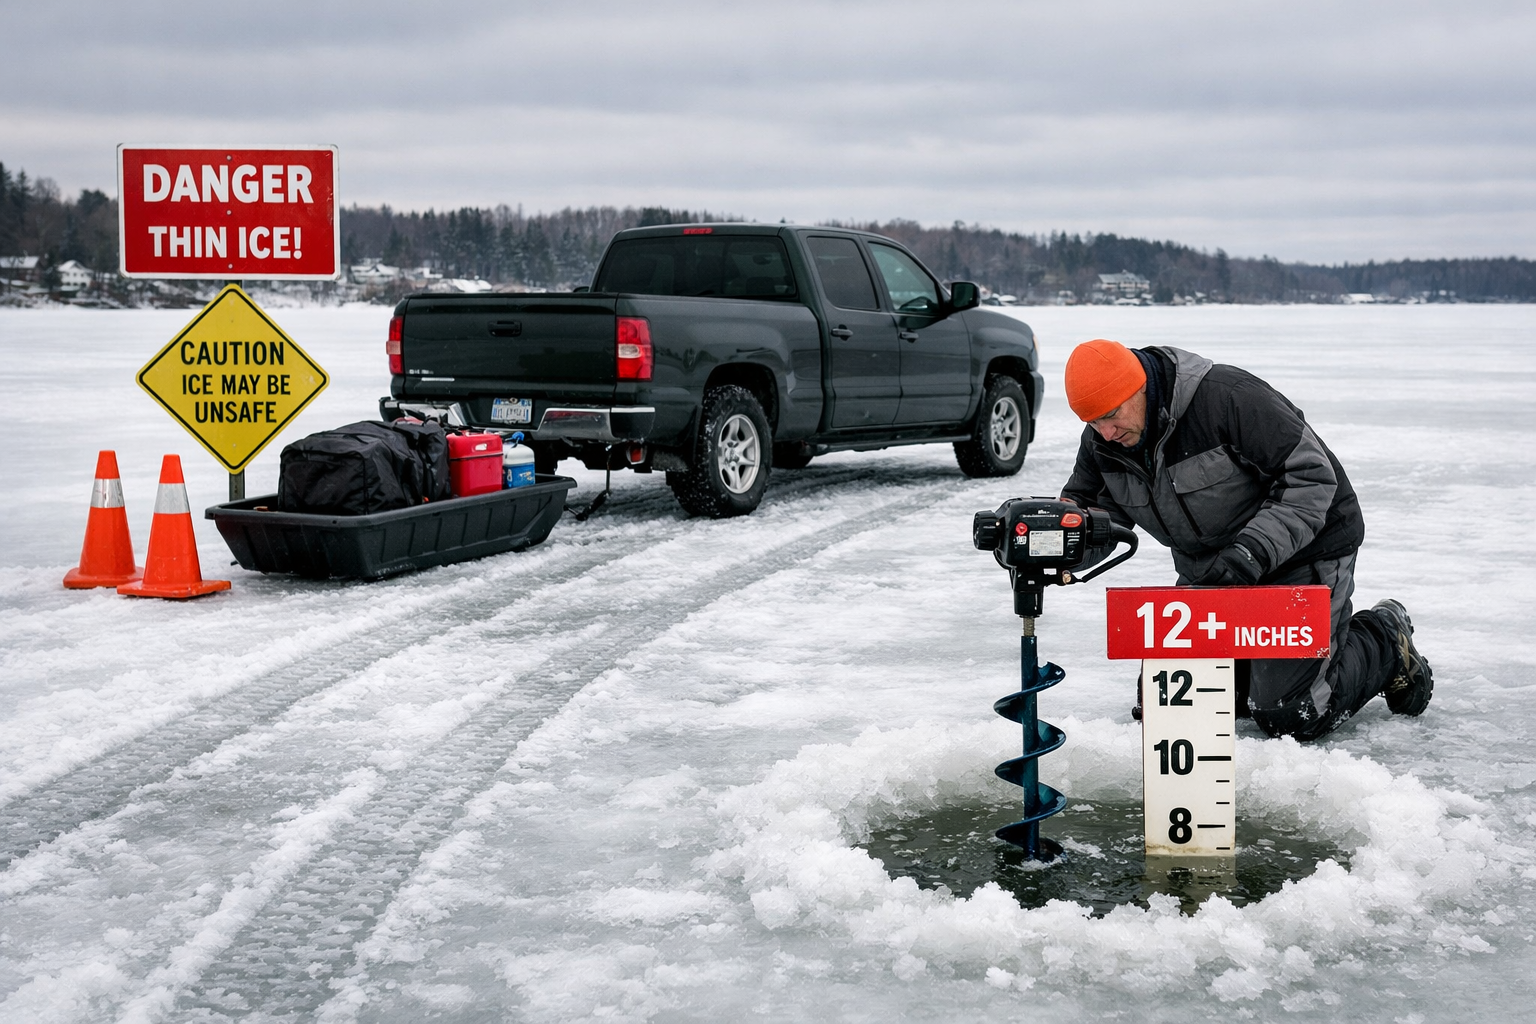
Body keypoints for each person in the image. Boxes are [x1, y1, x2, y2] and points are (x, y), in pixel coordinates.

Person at [1058, 338, 1432, 740]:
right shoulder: (1104, 440)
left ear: (1141, 387)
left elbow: (1311, 478)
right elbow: (1092, 518)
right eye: (1093, 421)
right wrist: (1054, 549)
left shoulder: (1228, 398)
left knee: (1293, 713)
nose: (1106, 432)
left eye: (1112, 415)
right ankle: (1257, 669)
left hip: (1304, 553)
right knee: (1174, 707)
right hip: (1215, 573)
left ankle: (1384, 638)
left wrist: (1250, 553)